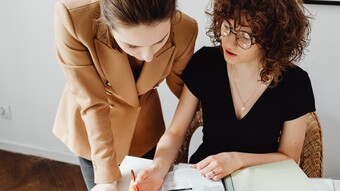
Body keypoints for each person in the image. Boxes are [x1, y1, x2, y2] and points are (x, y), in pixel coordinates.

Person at [131, 0, 314, 190]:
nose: (229, 41)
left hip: (261, 180)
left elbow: (289, 157)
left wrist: (236, 160)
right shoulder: (206, 63)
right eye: (227, 26)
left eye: (244, 36)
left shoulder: (295, 83)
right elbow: (175, 132)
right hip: (204, 177)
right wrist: (157, 169)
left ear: (272, 40)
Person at [53, 0, 198, 190]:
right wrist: (106, 179)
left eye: (159, 41)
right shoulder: (74, 19)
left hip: (145, 128)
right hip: (93, 133)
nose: (147, 56)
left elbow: (186, 91)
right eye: (131, 45)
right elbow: (92, 102)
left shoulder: (185, 30)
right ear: (107, 24)